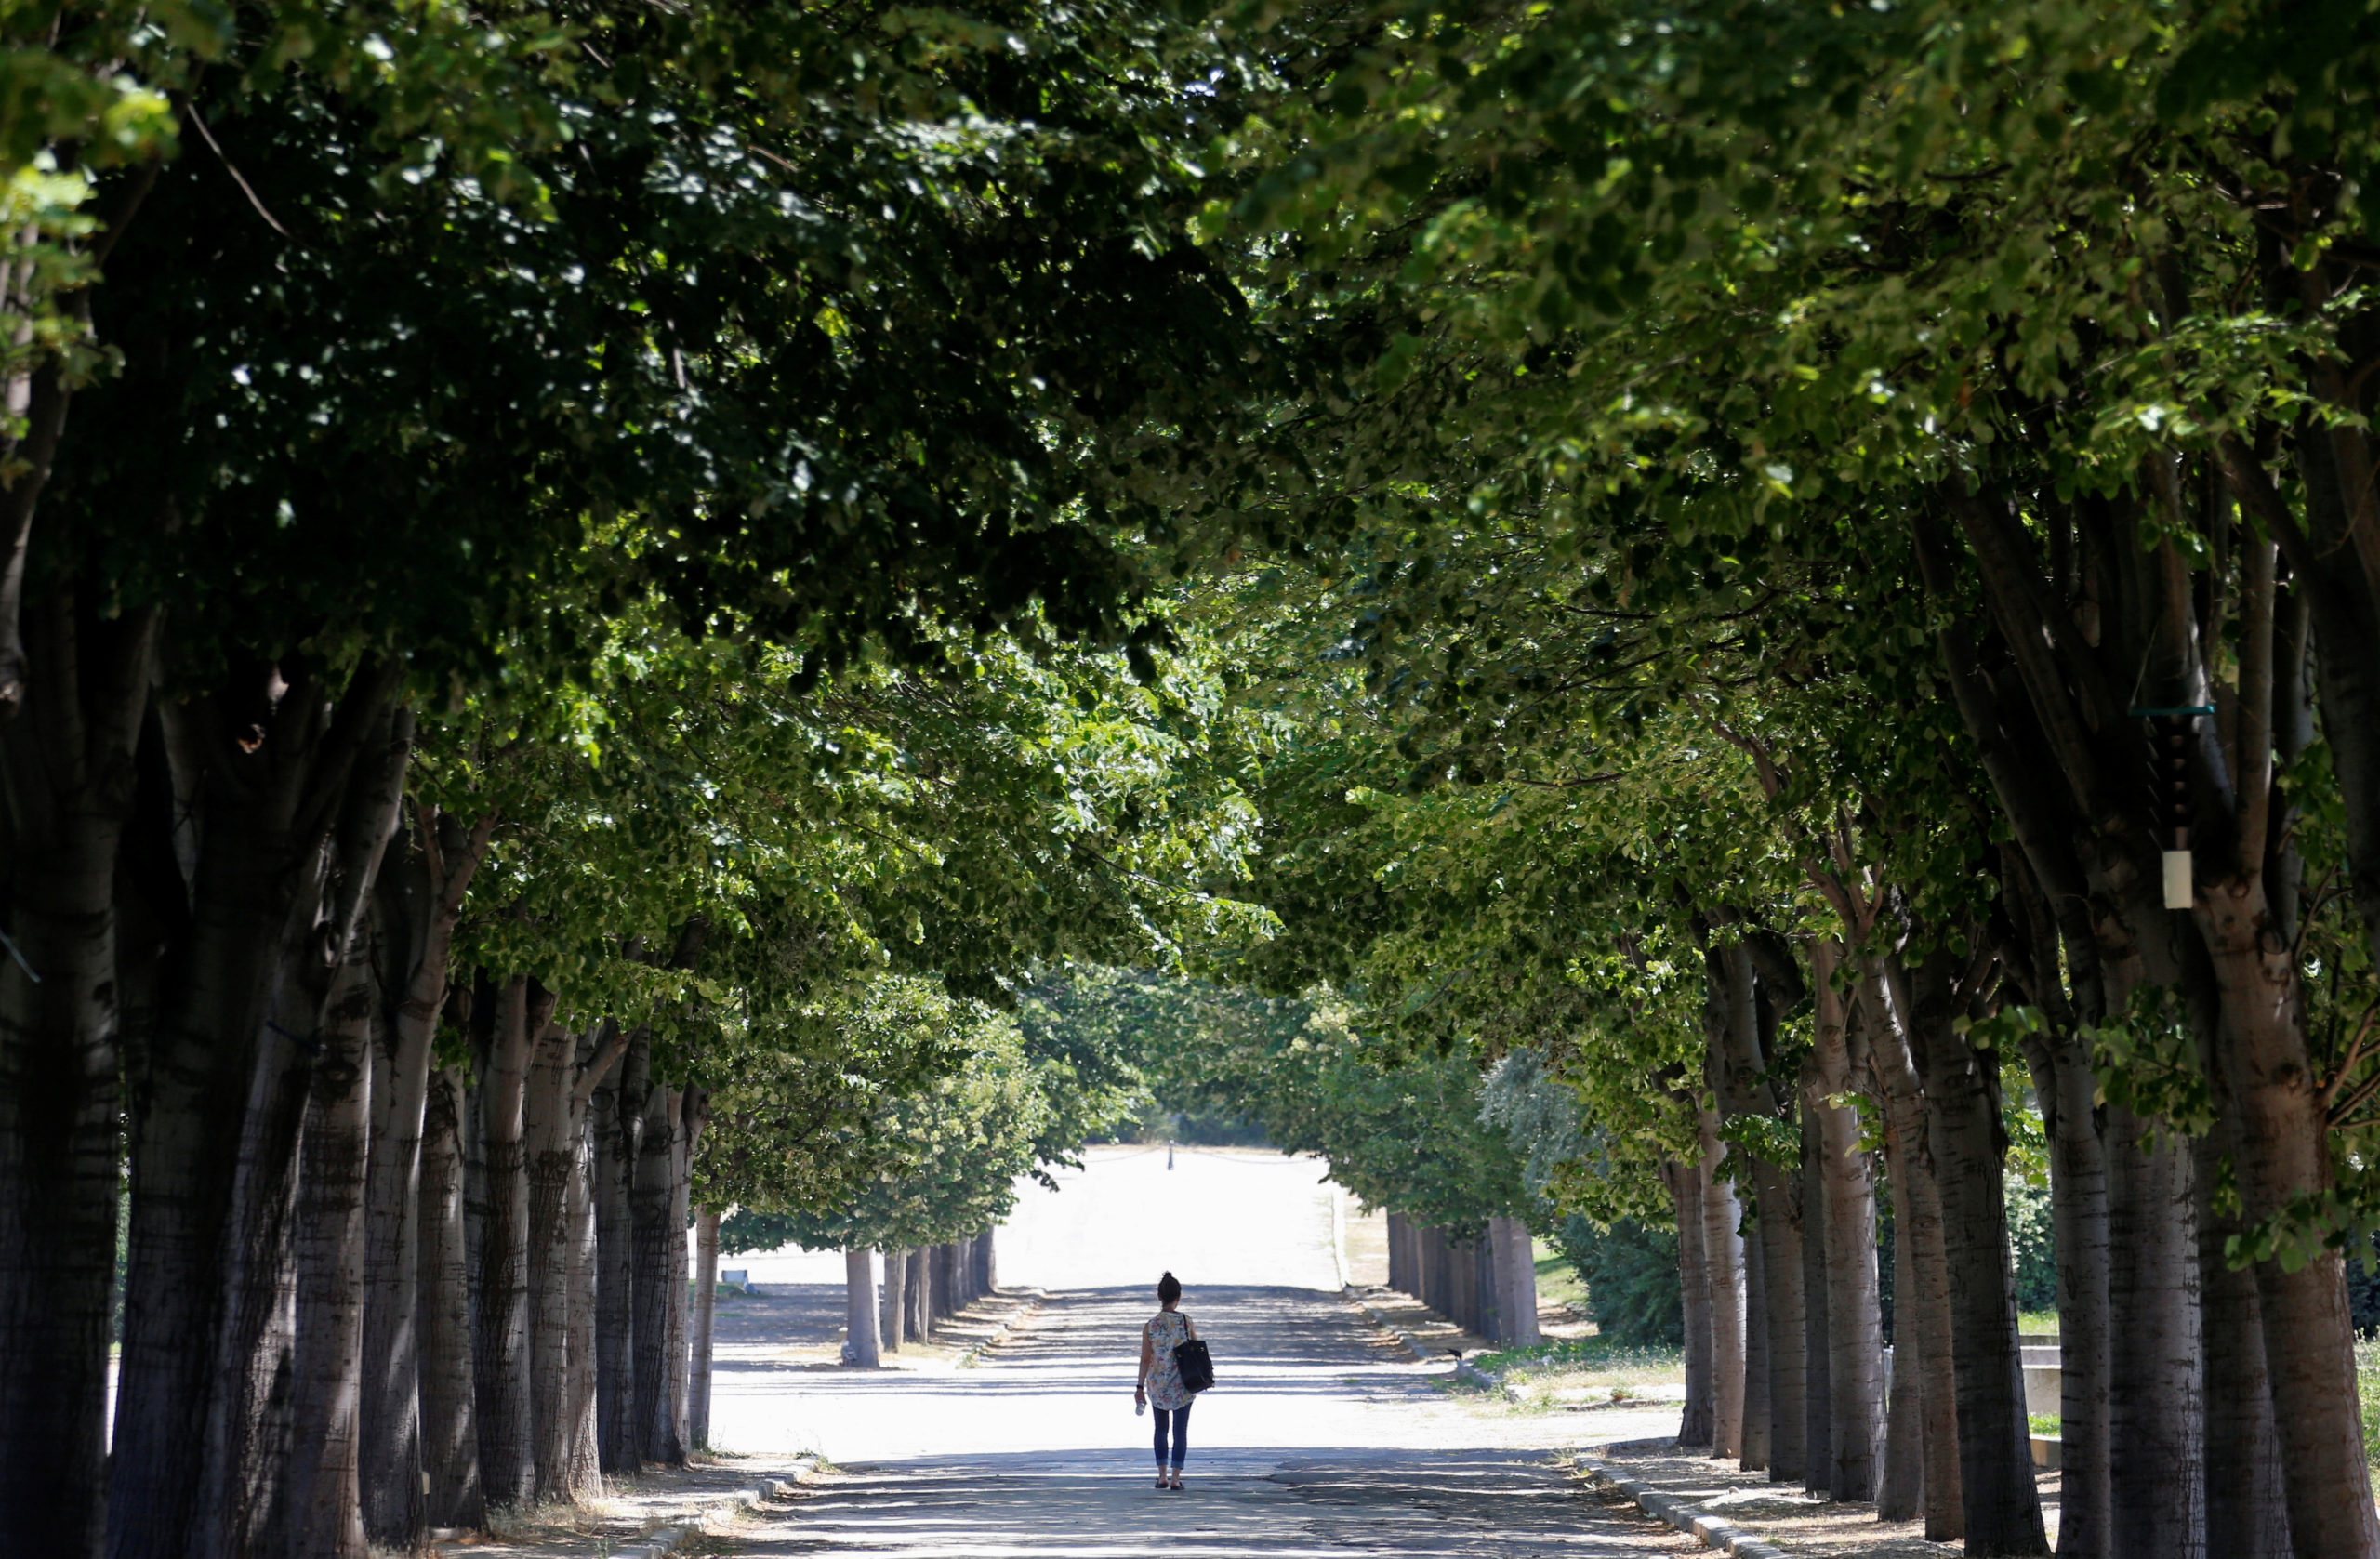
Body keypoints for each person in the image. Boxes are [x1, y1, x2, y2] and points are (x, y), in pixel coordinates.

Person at [1135, 1270, 1197, 1490]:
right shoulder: (1186, 1322)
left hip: (1158, 1386)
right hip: (1183, 1386)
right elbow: (1195, 1350)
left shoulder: (1150, 1326)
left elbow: (1145, 1358)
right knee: (1180, 1432)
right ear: (1178, 1297)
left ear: (1159, 1297)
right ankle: (1175, 1479)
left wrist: (1140, 1386)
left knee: (1160, 1429)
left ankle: (1161, 1475)